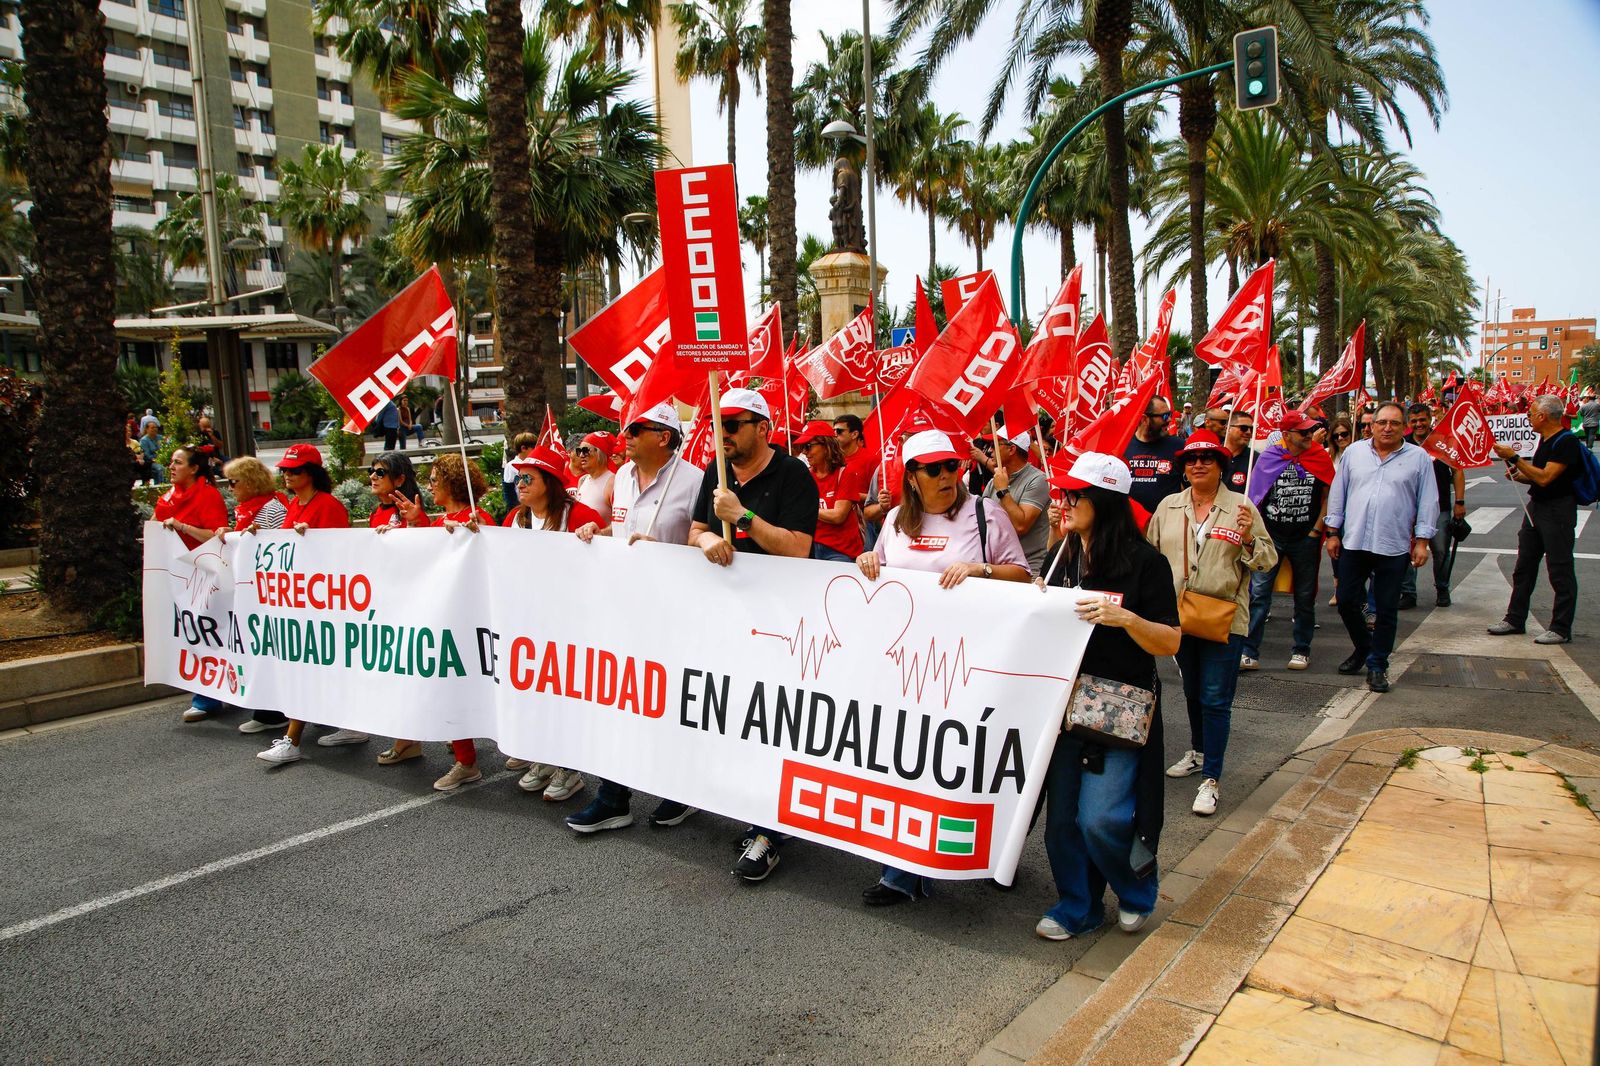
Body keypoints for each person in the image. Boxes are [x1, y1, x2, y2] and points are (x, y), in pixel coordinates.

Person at [852, 430, 1031, 905]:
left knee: (948, 765)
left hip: (963, 664)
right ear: (911, 477)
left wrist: (981, 571)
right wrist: (870, 557)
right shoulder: (893, 519)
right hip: (902, 664)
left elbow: (1023, 575)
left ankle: (976, 853)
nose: (947, 475)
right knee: (902, 762)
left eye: (951, 466)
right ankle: (900, 872)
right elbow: (883, 571)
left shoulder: (984, 513)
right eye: (934, 469)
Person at [1035, 452, 1182, 939]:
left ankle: (1136, 887)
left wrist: (1127, 619)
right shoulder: (1064, 555)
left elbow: (1170, 640)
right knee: (1061, 823)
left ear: (1104, 499)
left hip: (1117, 710)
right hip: (1060, 709)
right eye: (1064, 492)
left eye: (1075, 494)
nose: (1064, 501)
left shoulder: (1147, 563)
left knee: (1100, 818)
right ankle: (1078, 905)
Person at [689, 387, 818, 883]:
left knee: (775, 723)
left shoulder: (793, 475)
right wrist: (706, 540)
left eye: (735, 423)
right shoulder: (714, 472)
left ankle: (770, 831)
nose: (724, 432)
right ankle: (751, 811)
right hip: (729, 619)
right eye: (720, 423)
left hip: (782, 624)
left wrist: (742, 517)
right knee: (738, 718)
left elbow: (799, 548)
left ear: (763, 427)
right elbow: (696, 529)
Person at [567, 402, 704, 833]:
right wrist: (599, 532)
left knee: (669, 705)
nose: (624, 436)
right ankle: (613, 797)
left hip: (674, 612)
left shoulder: (696, 481)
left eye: (635, 429)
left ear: (663, 437)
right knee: (617, 702)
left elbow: (705, 545)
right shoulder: (622, 477)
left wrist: (663, 552)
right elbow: (623, 530)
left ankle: (681, 792)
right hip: (623, 607)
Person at [1145, 431, 1275, 817]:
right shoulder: (1169, 506)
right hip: (1179, 618)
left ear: (1222, 466)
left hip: (1223, 619)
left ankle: (1211, 779)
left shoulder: (1241, 507)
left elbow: (1266, 562)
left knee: (1217, 699)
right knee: (1192, 690)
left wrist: (1249, 534)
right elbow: (1150, 557)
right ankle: (1199, 753)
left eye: (1207, 458)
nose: (1198, 464)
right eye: (1191, 459)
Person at [375, 453, 497, 789]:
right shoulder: (440, 519)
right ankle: (465, 760)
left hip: (472, 619)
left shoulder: (476, 516)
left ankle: (518, 752)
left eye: (434, 480)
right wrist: (412, 526)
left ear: (452, 483)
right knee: (451, 687)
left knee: (479, 688)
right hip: (445, 619)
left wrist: (474, 529)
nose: (429, 486)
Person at [501, 446, 606, 796]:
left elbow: (610, 539)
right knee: (536, 691)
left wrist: (597, 531)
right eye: (519, 478)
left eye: (529, 477)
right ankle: (544, 754)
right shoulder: (515, 518)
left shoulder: (576, 514)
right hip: (529, 620)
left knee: (566, 694)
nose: (521, 483)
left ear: (550, 482)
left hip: (571, 621)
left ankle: (569, 768)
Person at [254, 445, 367, 764]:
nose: (288, 476)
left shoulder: (327, 505)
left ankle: (292, 739)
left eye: (295, 471)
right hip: (300, 602)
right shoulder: (293, 504)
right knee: (315, 668)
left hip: (322, 603)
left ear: (312, 473)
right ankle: (353, 723)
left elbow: (339, 552)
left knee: (306, 667)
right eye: (285, 471)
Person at [1323, 402, 1439, 693]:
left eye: (1395, 423)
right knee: (1347, 600)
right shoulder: (1354, 453)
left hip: (1393, 545)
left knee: (1386, 610)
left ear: (1404, 427)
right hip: (1355, 541)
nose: (1388, 428)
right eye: (1382, 422)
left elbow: (1428, 501)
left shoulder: (1419, 458)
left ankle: (1377, 666)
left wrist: (1422, 541)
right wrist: (1333, 532)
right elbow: (1339, 492)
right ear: (1371, 425)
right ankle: (1364, 647)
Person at [1240, 412, 1334, 671]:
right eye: (1302, 432)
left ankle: (1301, 649)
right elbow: (1255, 497)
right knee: (1259, 594)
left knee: (1305, 596)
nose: (1308, 435)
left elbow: (1330, 494)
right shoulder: (1269, 457)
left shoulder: (1320, 456)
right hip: (1272, 538)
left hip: (1305, 538)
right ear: (1286, 435)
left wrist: (1317, 530)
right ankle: (1249, 651)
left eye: (1309, 431)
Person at [1489, 394, 1583, 645]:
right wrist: (1520, 475)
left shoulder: (1566, 441)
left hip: (1558, 510)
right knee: (1524, 567)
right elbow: (1538, 477)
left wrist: (1515, 458)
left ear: (1543, 416)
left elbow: (1545, 478)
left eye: (1531, 412)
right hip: (1537, 507)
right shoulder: (1545, 439)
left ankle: (1561, 627)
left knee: (1560, 569)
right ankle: (1515, 618)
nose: (1528, 416)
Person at [211, 457, 290, 734]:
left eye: (233, 482)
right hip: (253, 591)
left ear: (251, 482)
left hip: (269, 593)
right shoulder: (247, 510)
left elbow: (284, 543)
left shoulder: (271, 509)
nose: (229, 487)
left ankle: (275, 712)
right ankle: (267, 710)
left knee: (270, 649)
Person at [1400, 403, 1466, 609]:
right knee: (1406, 551)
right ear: (1408, 423)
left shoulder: (1443, 442)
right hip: (1408, 508)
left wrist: (1460, 503)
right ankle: (1408, 593)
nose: (1419, 424)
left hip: (1440, 507)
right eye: (1414, 421)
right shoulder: (1403, 444)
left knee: (1440, 551)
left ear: (1430, 420)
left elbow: (1457, 471)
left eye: (1422, 420)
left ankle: (1443, 588)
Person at [791, 420, 865, 562]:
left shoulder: (846, 473)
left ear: (826, 446)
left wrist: (806, 510)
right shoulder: (805, 475)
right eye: (802, 447)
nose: (804, 452)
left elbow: (838, 515)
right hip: (810, 547)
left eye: (808, 446)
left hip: (840, 551)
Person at [984, 428, 1051, 576]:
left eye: (995, 445)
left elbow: (1021, 526)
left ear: (1012, 449)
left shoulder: (1038, 480)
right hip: (998, 568)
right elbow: (983, 521)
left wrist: (1003, 491)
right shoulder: (994, 481)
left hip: (1030, 571)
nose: (989, 451)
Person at [155, 443, 229, 551]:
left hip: (199, 563)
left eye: (178, 463)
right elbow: (154, 525)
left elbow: (218, 537)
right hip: (170, 563)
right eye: (172, 462)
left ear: (193, 469)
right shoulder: (171, 494)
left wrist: (183, 527)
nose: (171, 467)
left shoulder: (208, 495)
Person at [1123, 397, 1184, 514]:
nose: (1170, 420)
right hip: (1131, 526)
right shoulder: (1123, 446)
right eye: (1165, 416)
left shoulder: (1179, 446)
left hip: (1167, 525)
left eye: (1170, 414)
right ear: (1145, 419)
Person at [366, 452, 423, 530]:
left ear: (400, 480)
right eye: (371, 471)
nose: (372, 476)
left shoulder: (414, 515)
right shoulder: (376, 512)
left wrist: (411, 523)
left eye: (380, 472)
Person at [574, 431, 618, 518]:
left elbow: (621, 523)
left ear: (599, 453)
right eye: (579, 451)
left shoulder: (613, 482)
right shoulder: (582, 480)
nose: (581, 455)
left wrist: (601, 532)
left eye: (585, 451)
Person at [503, 431, 536, 510]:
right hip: (520, 507)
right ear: (523, 448)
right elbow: (509, 491)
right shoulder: (510, 466)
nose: (535, 451)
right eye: (533, 448)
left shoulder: (534, 463)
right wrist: (515, 508)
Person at [1223, 411, 1254, 492]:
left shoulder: (1255, 459)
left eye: (1251, 429)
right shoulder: (1213, 455)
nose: (1248, 432)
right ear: (1228, 428)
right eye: (1243, 428)